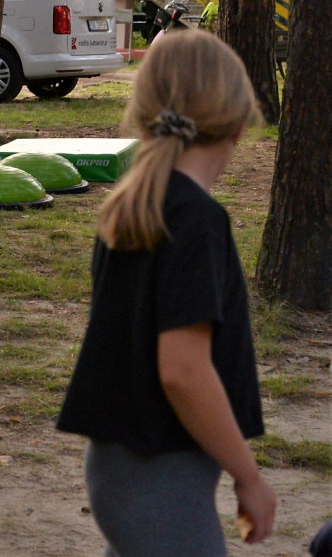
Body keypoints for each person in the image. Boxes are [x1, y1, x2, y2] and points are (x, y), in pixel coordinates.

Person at [56, 29, 277, 554]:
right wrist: (248, 475)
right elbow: (182, 371)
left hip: (121, 468)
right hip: (159, 475)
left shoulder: (136, 205)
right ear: (237, 125)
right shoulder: (195, 220)